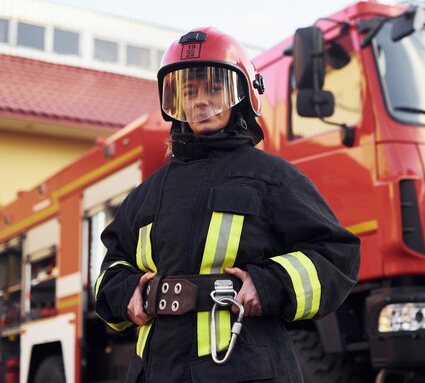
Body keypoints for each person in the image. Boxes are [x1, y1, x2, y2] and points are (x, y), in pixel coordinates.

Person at [94, 27, 360, 383]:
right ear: (175, 103)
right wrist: (129, 292)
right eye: (189, 92)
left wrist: (270, 284)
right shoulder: (147, 193)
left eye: (215, 89)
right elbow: (111, 270)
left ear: (242, 94)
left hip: (243, 369)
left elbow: (336, 255)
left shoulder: (272, 177)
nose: (201, 101)